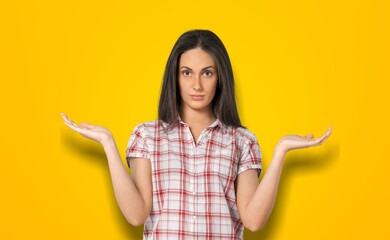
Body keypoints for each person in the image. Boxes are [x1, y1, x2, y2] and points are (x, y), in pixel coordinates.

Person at [61, 29, 332, 239]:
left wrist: (282, 149)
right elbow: (136, 215)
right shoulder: (147, 136)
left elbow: (253, 221)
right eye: (187, 73)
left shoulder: (241, 141)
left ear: (220, 77)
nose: (197, 85)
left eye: (208, 73)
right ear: (175, 77)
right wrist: (108, 143)